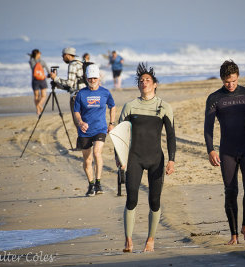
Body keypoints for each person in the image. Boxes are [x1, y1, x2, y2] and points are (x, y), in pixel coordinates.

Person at [204, 60, 245, 245]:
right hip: (227, 151)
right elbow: (208, 127)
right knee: (230, 191)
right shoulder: (214, 98)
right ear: (222, 79)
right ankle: (234, 234)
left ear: (238, 77)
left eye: (233, 81)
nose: (230, 85)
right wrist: (210, 150)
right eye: (226, 82)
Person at [117, 63, 176, 252]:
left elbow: (171, 135)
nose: (144, 83)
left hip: (156, 159)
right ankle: (128, 240)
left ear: (155, 84)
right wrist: (119, 158)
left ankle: (150, 239)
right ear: (138, 85)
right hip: (134, 158)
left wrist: (172, 160)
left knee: (155, 201)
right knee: (131, 199)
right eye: (141, 81)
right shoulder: (130, 107)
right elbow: (120, 136)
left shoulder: (164, 107)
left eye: (147, 80)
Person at [74, 64, 116, 197]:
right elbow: (76, 111)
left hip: (100, 129)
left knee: (97, 153)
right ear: (86, 78)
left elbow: (112, 106)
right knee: (87, 160)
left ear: (99, 77)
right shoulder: (81, 94)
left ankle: (98, 182)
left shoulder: (105, 92)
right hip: (85, 131)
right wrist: (80, 122)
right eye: (90, 78)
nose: (92, 80)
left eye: (94, 78)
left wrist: (111, 123)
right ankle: (91, 184)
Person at [50, 47, 86, 125]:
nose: (63, 58)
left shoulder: (72, 64)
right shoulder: (80, 63)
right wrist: (59, 85)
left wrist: (55, 78)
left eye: (63, 56)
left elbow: (70, 83)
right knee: (85, 120)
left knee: (78, 123)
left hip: (76, 97)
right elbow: (76, 83)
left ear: (67, 55)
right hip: (85, 94)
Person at [29, 49, 50, 115]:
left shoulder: (31, 61)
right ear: (37, 54)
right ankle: (39, 106)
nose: (40, 54)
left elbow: (33, 68)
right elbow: (47, 70)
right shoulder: (42, 61)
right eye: (39, 53)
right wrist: (48, 75)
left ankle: (38, 108)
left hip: (35, 80)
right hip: (42, 80)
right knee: (43, 96)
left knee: (36, 96)